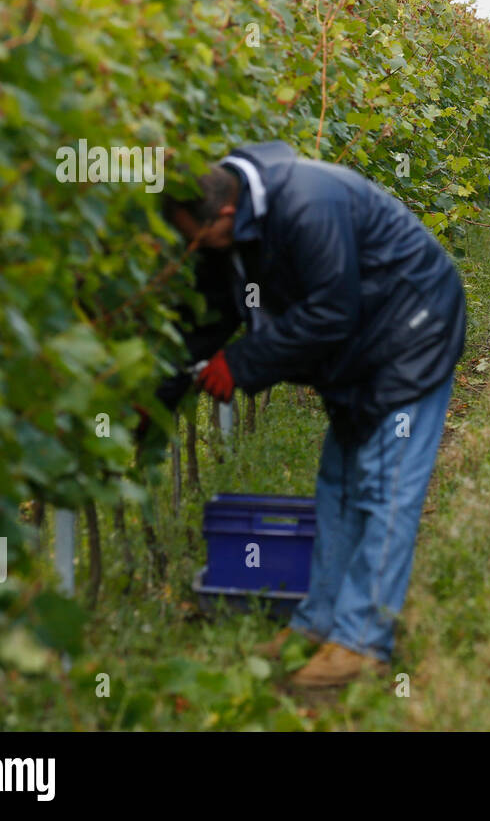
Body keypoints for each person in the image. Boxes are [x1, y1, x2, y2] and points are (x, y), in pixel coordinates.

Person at [154, 140, 465, 688]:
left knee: (384, 488)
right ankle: (320, 622)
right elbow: (217, 310)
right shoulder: (237, 223)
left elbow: (330, 312)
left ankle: (363, 641)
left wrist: (242, 362)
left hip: (412, 332)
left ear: (224, 212)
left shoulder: (306, 203)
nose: (197, 249)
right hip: (360, 346)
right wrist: (158, 392)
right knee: (339, 485)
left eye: (200, 238)